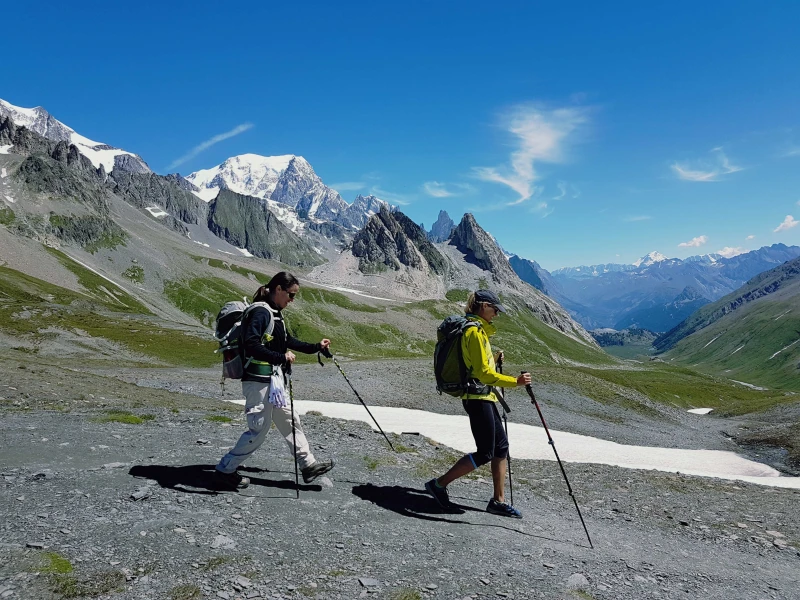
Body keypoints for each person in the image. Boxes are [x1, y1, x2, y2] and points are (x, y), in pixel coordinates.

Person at [214, 272, 335, 490]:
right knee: (258, 430)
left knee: (290, 420)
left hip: (273, 381)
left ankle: (308, 465)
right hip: (258, 381)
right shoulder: (260, 312)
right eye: (291, 295)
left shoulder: (274, 313)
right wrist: (282, 357)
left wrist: (316, 346)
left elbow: (287, 341)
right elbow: (251, 344)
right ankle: (225, 469)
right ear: (278, 289)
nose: (292, 300)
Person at [424, 289, 531, 518]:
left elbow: (479, 367)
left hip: (483, 397)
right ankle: (438, 485)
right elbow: (483, 374)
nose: (496, 314)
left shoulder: (475, 330)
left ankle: (498, 501)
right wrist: (516, 382)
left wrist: (494, 358)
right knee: (485, 452)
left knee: (501, 448)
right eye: (494, 309)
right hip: (477, 398)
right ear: (483, 306)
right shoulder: (474, 332)